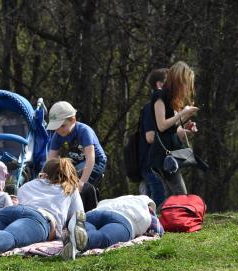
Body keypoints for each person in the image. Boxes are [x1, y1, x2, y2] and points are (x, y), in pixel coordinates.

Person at [148, 61, 199, 195]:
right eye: (186, 83)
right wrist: (182, 113)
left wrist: (186, 123)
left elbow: (172, 128)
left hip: (170, 153)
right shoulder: (159, 96)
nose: (188, 87)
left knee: (173, 196)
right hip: (162, 156)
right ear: (179, 80)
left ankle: (157, 215)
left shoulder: (171, 99)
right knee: (180, 195)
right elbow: (162, 125)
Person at [47, 101, 107, 212]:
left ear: (73, 120)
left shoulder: (84, 131)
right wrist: (45, 178)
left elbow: (90, 158)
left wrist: (81, 183)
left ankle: (89, 211)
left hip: (95, 162)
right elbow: (50, 161)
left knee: (75, 182)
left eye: (62, 126)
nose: (59, 130)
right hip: (77, 164)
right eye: (56, 127)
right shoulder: (58, 135)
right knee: (60, 179)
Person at [61, 195, 164, 260]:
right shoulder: (145, 204)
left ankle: (73, 238)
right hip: (123, 218)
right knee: (104, 237)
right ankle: (86, 240)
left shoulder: (115, 199)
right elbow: (157, 230)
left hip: (95, 213)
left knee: (86, 228)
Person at [138, 69, 167, 207]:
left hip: (156, 161)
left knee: (150, 197)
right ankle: (155, 224)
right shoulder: (151, 108)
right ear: (159, 84)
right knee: (157, 196)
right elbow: (150, 137)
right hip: (150, 162)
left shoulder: (162, 107)